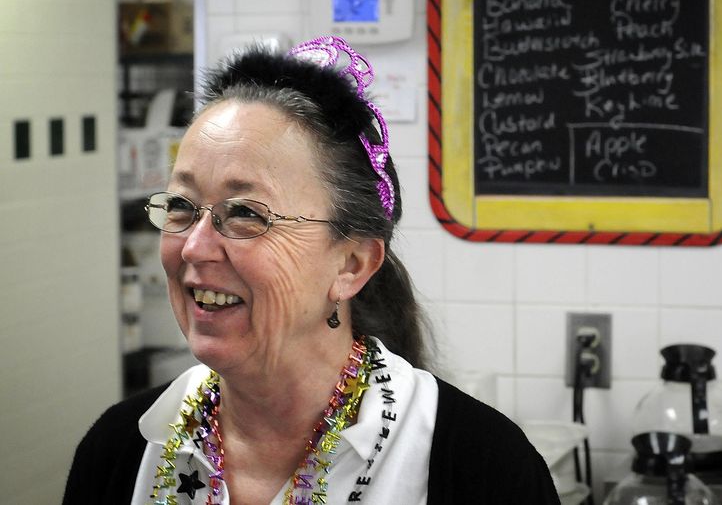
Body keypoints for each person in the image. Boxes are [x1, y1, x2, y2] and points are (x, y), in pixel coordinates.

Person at [63, 36, 559, 505]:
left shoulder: (481, 469)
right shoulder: (122, 450)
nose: (194, 246)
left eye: (246, 214)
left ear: (351, 264)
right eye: (180, 205)